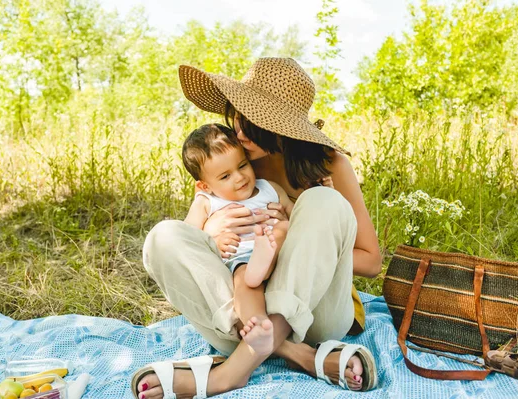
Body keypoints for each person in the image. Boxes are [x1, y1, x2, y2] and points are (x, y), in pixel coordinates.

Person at [133, 58, 382, 399]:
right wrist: (210, 233)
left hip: (315, 315)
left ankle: (230, 373)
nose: (237, 131)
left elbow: (371, 262)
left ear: (279, 126)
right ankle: (301, 356)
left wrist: (298, 236)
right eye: (236, 115)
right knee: (162, 236)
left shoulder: (329, 164)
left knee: (324, 202)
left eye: (251, 121)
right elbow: (200, 238)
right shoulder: (240, 161)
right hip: (244, 319)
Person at [181, 122, 295, 355]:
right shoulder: (207, 202)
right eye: (225, 176)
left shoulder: (269, 188)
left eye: (242, 165)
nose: (239, 177)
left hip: (280, 258)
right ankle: (261, 326)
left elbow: (299, 215)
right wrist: (212, 240)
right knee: (245, 280)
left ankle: (264, 260)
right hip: (241, 259)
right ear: (205, 185)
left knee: (283, 228)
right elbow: (187, 239)